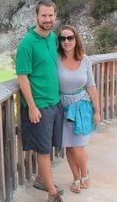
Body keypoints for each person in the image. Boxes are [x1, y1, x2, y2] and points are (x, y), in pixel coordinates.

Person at [15, 0, 64, 202]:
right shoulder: (27, 43)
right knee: (43, 151)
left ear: (55, 16)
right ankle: (52, 194)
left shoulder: (52, 38)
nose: (47, 19)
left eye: (50, 15)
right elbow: (22, 76)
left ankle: (41, 180)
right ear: (36, 16)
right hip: (39, 107)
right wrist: (32, 107)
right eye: (43, 15)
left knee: (50, 147)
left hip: (55, 102)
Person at [57, 25, 101, 194]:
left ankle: (85, 173)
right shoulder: (56, 59)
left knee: (78, 146)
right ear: (59, 41)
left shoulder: (85, 60)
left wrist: (97, 111)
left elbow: (91, 86)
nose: (66, 41)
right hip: (63, 108)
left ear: (76, 39)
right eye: (63, 38)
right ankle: (75, 177)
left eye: (70, 38)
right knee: (69, 146)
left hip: (81, 107)